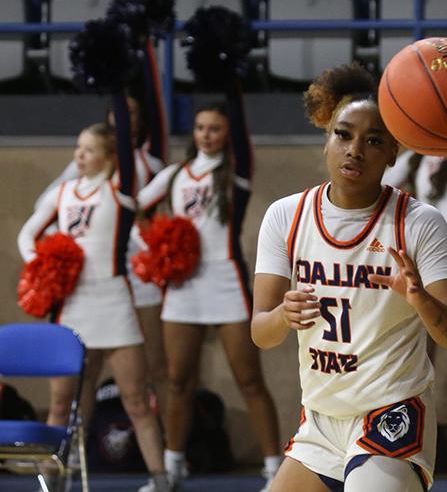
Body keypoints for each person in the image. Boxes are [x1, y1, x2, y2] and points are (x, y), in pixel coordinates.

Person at [251, 65, 447, 492]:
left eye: (373, 141)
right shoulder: (285, 216)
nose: (354, 150)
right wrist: (282, 314)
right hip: (320, 419)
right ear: (326, 136)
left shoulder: (420, 223)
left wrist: (420, 299)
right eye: (343, 134)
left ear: (392, 153)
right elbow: (261, 332)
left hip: (391, 413)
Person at [18, 102, 169, 492]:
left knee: (136, 399)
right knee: (64, 404)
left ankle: (162, 478)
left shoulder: (120, 192)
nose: (79, 156)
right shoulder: (63, 193)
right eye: (77, 148)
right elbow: (27, 235)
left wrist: (117, 89)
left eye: (88, 150)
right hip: (73, 306)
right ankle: (54, 478)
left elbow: (124, 147)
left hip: (115, 305)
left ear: (108, 156)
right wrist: (44, 263)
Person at [136, 94, 281, 491]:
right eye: (200, 127)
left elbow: (241, 130)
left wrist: (232, 76)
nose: (206, 135)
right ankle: (173, 469)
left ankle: (274, 470)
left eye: (215, 128)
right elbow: (135, 206)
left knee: (249, 380)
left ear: (229, 132)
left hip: (227, 283)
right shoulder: (175, 173)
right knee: (178, 381)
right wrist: (154, 245)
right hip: (184, 286)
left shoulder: (237, 170)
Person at [35, 90, 170, 414]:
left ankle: (166, 454)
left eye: (134, 113)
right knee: (80, 386)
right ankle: (76, 459)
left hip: (137, 280)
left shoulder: (147, 166)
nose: (81, 155)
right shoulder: (75, 177)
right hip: (84, 287)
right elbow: (44, 214)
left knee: (152, 372)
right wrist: (51, 261)